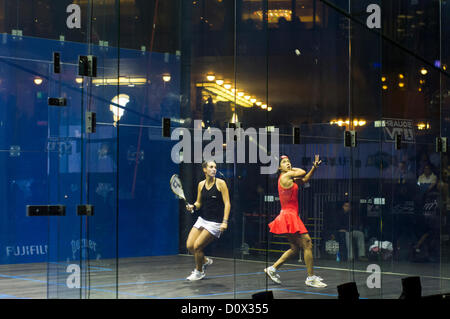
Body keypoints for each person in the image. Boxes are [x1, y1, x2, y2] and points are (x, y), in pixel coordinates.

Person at [264, 155, 327, 288]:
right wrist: (292, 168)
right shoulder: (286, 176)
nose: (288, 163)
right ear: (279, 168)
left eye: (289, 161)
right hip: (288, 216)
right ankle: (310, 278)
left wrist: (314, 168)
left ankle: (273, 269)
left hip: (289, 215)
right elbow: (302, 172)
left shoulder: (289, 177)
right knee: (308, 243)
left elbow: (304, 179)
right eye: (284, 162)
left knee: (295, 248)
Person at [185, 160, 231, 281]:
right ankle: (204, 261)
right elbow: (199, 202)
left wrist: (225, 221)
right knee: (189, 246)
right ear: (205, 169)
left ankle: (199, 272)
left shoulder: (221, 183)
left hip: (215, 223)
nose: (214, 169)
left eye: (215, 167)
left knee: (197, 246)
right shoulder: (201, 184)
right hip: (203, 220)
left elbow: (227, 203)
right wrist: (193, 207)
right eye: (211, 167)